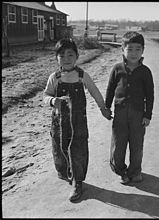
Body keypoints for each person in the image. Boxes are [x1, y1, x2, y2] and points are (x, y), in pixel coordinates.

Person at [43, 38, 111, 202]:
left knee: (78, 149)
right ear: (56, 58)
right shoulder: (55, 77)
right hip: (59, 122)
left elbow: (95, 92)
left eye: (70, 54)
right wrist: (53, 101)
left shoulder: (82, 76)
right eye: (62, 55)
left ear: (77, 56)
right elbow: (46, 95)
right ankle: (66, 172)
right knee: (60, 148)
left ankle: (77, 182)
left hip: (78, 122)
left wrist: (103, 108)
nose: (66, 59)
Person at [105, 31, 154, 184]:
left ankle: (135, 171)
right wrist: (106, 107)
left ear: (143, 50)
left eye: (138, 49)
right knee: (118, 144)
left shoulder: (145, 72)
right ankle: (121, 171)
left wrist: (147, 115)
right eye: (130, 49)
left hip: (138, 116)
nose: (134, 53)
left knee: (136, 145)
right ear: (122, 50)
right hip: (120, 114)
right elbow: (110, 89)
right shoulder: (117, 69)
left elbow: (150, 95)